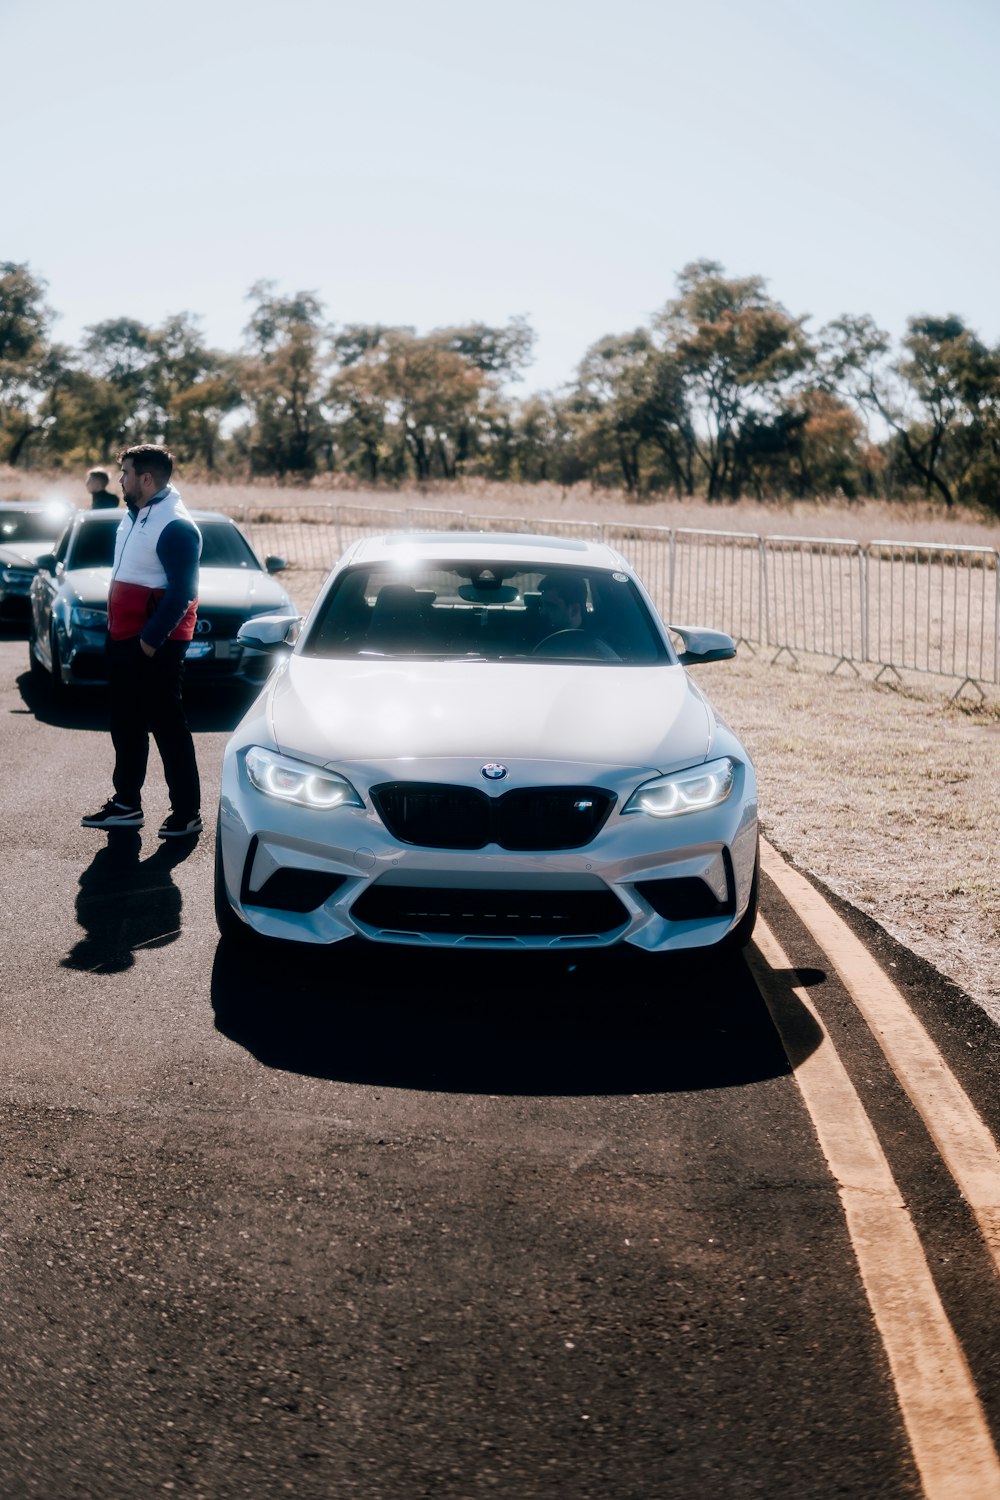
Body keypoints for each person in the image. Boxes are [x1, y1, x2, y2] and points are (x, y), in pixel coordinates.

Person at [81, 444, 203, 838]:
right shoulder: (134, 515)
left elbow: (183, 590)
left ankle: (186, 814)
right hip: (123, 636)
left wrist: (150, 641)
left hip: (155, 643)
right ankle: (126, 805)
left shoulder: (175, 524)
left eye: (126, 473)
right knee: (126, 723)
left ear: (146, 479)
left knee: (167, 726)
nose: (121, 480)